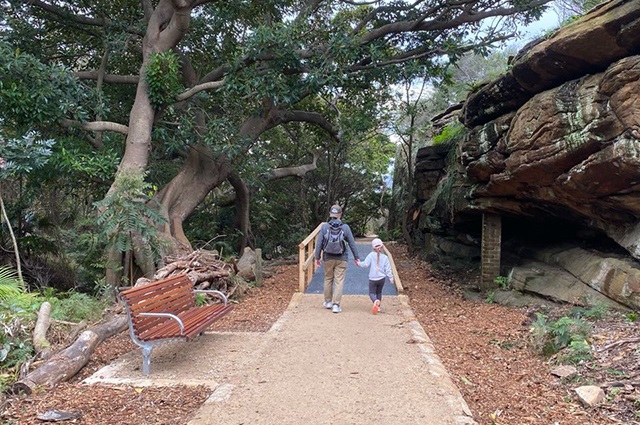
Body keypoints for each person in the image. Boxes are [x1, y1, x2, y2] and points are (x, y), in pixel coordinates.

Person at [314, 204, 360, 313]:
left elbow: (319, 243)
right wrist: (356, 257)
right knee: (339, 281)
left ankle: (328, 302)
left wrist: (317, 257)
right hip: (342, 258)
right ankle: (336, 305)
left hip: (328, 257)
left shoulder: (324, 227)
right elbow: (352, 243)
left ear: (330, 214)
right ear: (340, 215)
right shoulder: (345, 227)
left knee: (328, 279)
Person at [357, 238, 394, 315]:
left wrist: (358, 263)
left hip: (373, 278)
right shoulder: (385, 257)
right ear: (382, 246)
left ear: (373, 247)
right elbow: (388, 269)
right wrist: (391, 278)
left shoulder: (371, 255)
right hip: (382, 278)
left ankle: (375, 301)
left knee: (371, 293)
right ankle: (379, 306)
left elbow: (365, 264)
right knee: (379, 292)